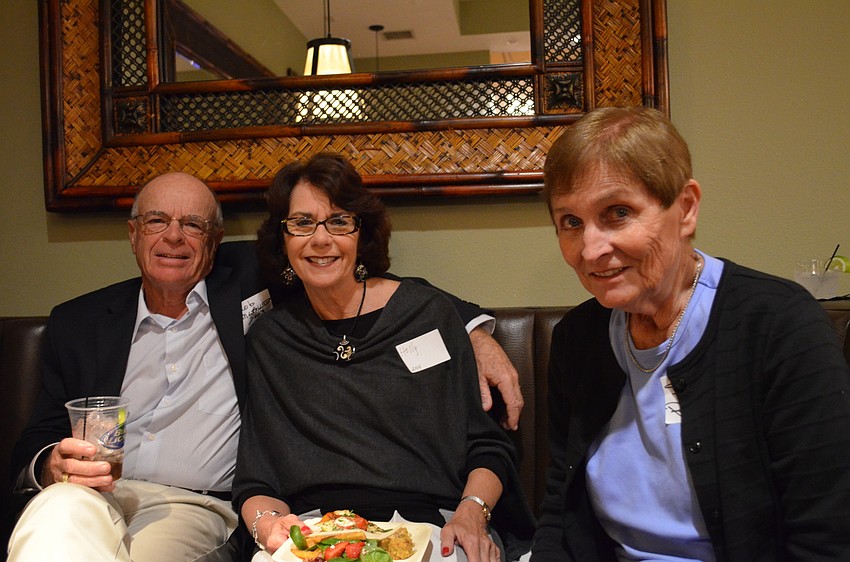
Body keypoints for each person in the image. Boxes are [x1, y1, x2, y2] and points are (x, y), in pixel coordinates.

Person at [6, 171, 521, 561]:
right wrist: (54, 465)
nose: (174, 238)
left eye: (193, 225)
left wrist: (476, 330)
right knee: (57, 513)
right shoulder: (79, 322)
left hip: (189, 507)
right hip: (96, 494)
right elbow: (40, 435)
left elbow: (377, 289)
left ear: (215, 241)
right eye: (157, 221)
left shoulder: (254, 292)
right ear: (133, 232)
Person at [530, 107, 850, 561]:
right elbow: (560, 511)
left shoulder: (778, 326)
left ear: (685, 208)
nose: (591, 249)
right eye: (571, 222)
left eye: (618, 213)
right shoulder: (578, 339)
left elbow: (827, 535)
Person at [232, 153, 536, 562]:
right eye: (302, 223)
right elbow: (256, 478)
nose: (320, 239)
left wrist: (472, 514)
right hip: (316, 533)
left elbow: (486, 445)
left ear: (362, 234)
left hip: (433, 525)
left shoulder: (426, 314)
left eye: (339, 221)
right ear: (282, 239)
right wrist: (267, 524)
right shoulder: (272, 341)